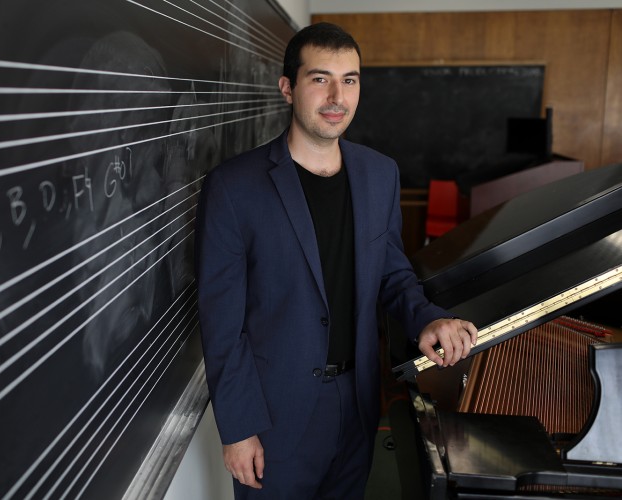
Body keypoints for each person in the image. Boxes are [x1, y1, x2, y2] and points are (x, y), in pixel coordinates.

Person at [194, 22, 477, 499]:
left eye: (350, 80)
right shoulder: (233, 187)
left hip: (359, 402)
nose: (336, 96)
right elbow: (221, 320)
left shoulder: (379, 173)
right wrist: (238, 428)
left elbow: (391, 272)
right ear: (288, 88)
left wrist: (428, 319)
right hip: (274, 416)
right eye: (319, 78)